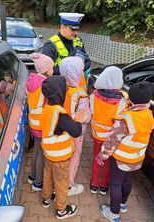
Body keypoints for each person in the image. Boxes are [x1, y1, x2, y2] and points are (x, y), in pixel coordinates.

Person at [96, 81, 154, 222]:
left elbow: (112, 140)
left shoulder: (127, 118)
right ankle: (122, 204)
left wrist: (102, 155)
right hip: (136, 157)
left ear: (131, 99)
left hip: (121, 158)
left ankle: (114, 214)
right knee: (127, 180)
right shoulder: (149, 115)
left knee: (116, 183)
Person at [39, 75, 86, 220]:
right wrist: (78, 120)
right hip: (61, 155)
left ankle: (46, 199)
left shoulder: (48, 108)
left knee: (47, 175)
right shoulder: (61, 113)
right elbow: (76, 132)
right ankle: (61, 210)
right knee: (61, 182)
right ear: (60, 93)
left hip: (48, 152)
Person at [89, 66, 129, 196]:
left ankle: (94, 184)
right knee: (107, 160)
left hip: (96, 134)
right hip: (111, 138)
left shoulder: (93, 96)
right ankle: (104, 186)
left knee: (96, 157)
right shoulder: (123, 101)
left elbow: (92, 113)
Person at [59, 56, 91, 196]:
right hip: (75, 132)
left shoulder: (58, 87)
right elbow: (85, 117)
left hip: (59, 130)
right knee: (74, 157)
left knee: (62, 157)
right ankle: (69, 186)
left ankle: (58, 181)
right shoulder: (81, 94)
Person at [26, 53, 54, 192]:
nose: (53, 70)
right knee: (42, 152)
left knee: (36, 149)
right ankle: (38, 182)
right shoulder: (46, 84)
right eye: (52, 68)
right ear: (46, 70)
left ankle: (32, 176)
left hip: (33, 121)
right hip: (42, 122)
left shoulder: (31, 81)